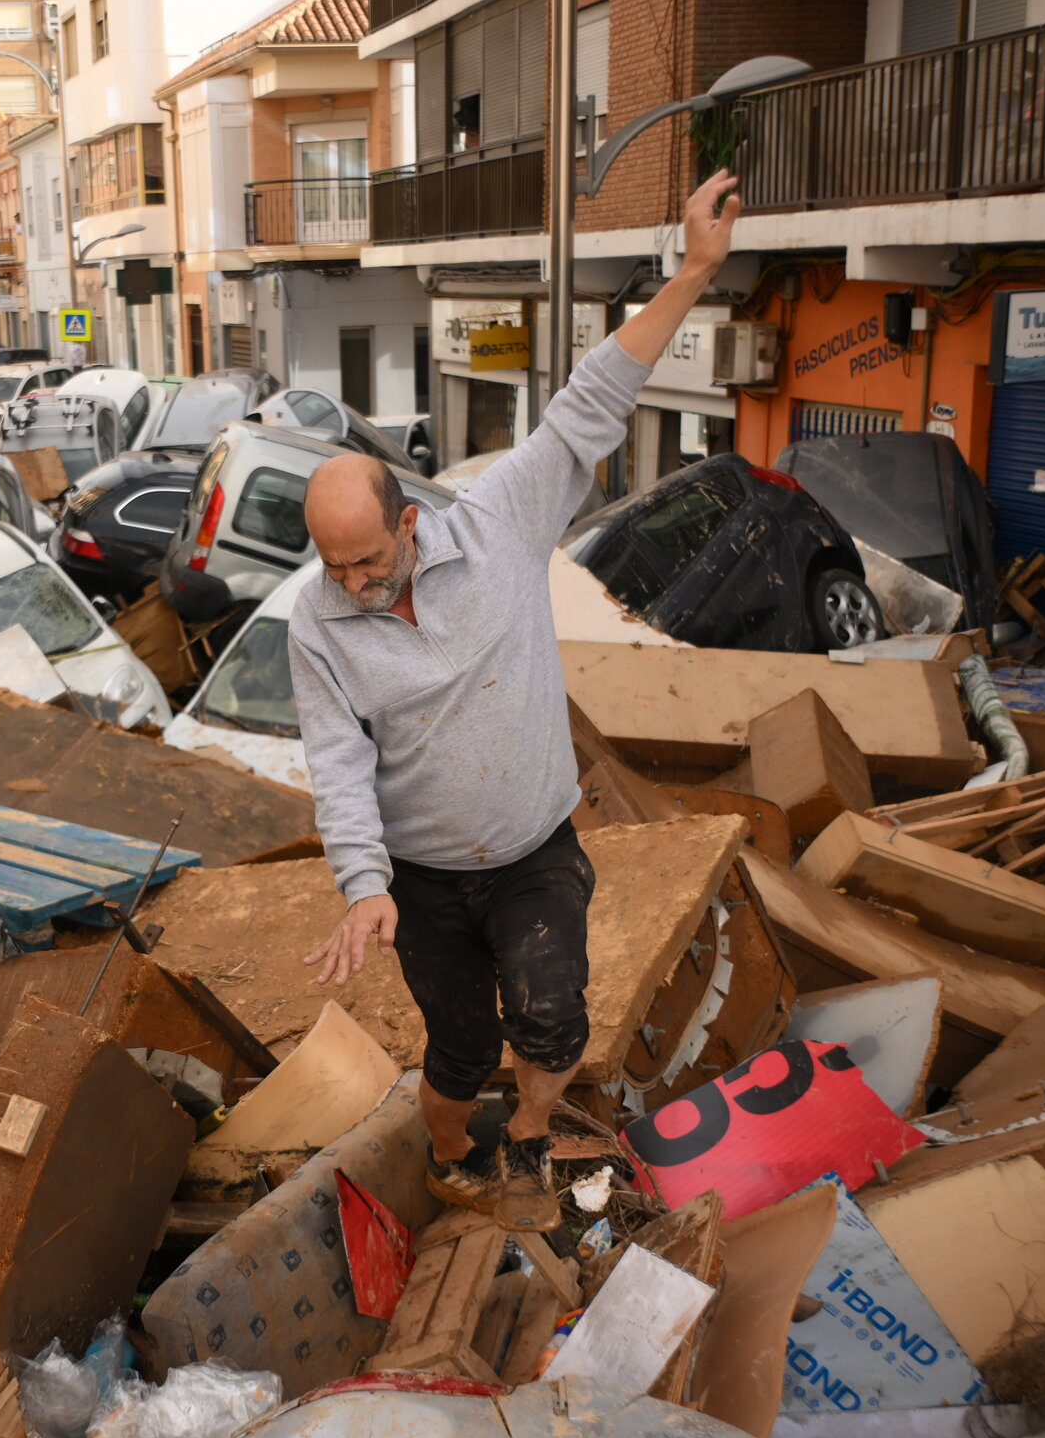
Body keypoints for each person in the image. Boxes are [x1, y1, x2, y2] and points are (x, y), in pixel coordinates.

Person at [288, 169, 742, 1229]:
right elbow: (339, 758)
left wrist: (694, 273)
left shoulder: (496, 522)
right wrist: (364, 884)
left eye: (365, 561)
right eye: (332, 568)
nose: (352, 585)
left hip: (535, 850)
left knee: (550, 1024)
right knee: (457, 1047)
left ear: (406, 524)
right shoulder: (319, 621)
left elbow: (591, 402)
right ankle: (452, 1149)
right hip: (424, 878)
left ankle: (532, 1129)